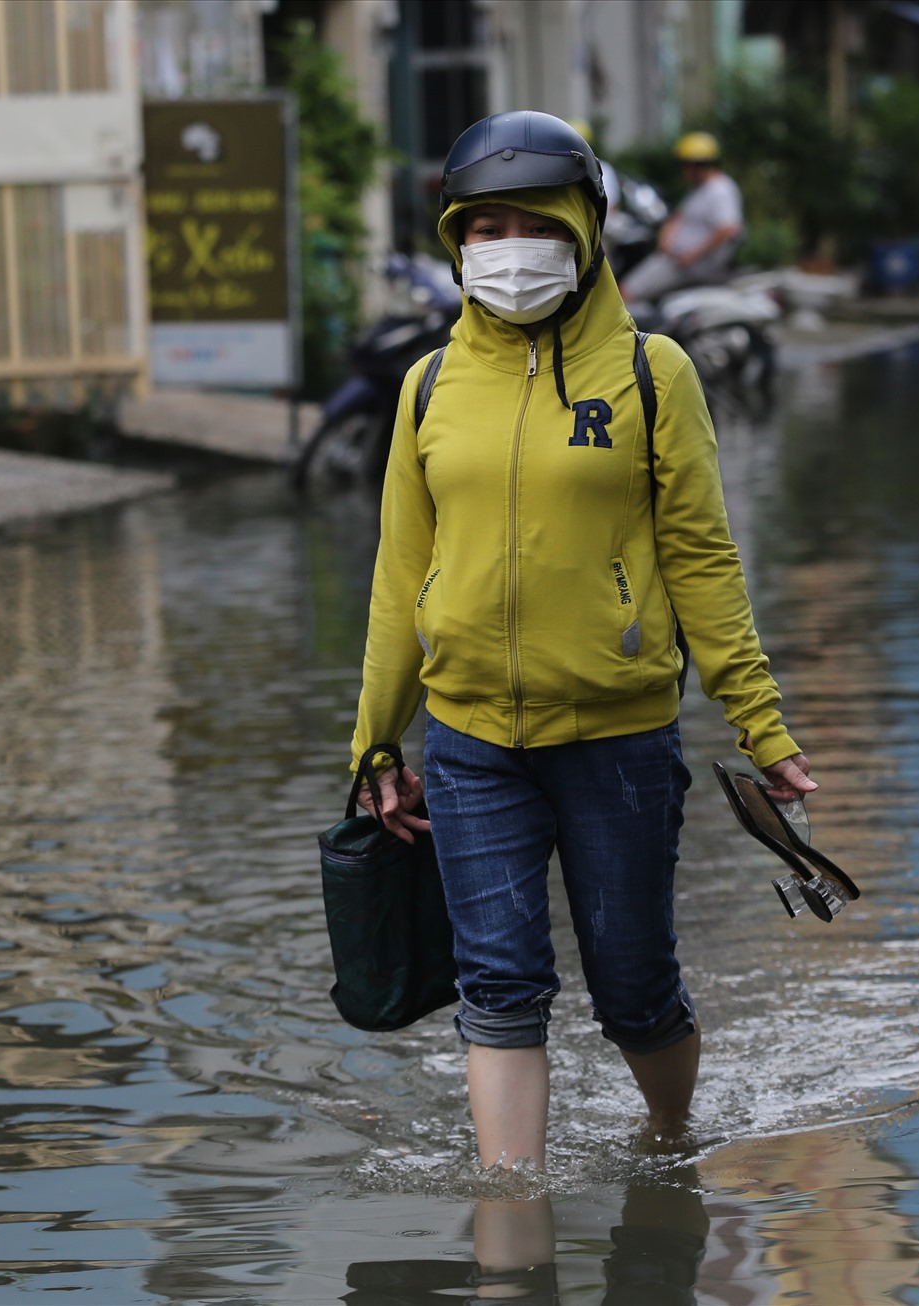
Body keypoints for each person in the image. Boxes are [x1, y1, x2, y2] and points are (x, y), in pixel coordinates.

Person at [350, 111, 814, 1172]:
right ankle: (509, 1218)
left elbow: (702, 560)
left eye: (529, 222)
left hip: (618, 740)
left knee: (634, 987)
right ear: (453, 241)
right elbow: (396, 578)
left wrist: (763, 723)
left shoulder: (653, 376)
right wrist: (375, 740)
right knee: (500, 984)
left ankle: (671, 1139)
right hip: (471, 745)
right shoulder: (427, 388)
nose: (503, 247)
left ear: (583, 229)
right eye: (479, 227)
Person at [619, 131, 743, 305]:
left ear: (697, 165)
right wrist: (665, 237)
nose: (683, 171)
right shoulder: (699, 189)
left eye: (685, 165)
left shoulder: (720, 190)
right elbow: (678, 216)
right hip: (675, 259)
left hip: (686, 266)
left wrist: (692, 255)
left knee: (625, 292)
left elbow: (727, 229)